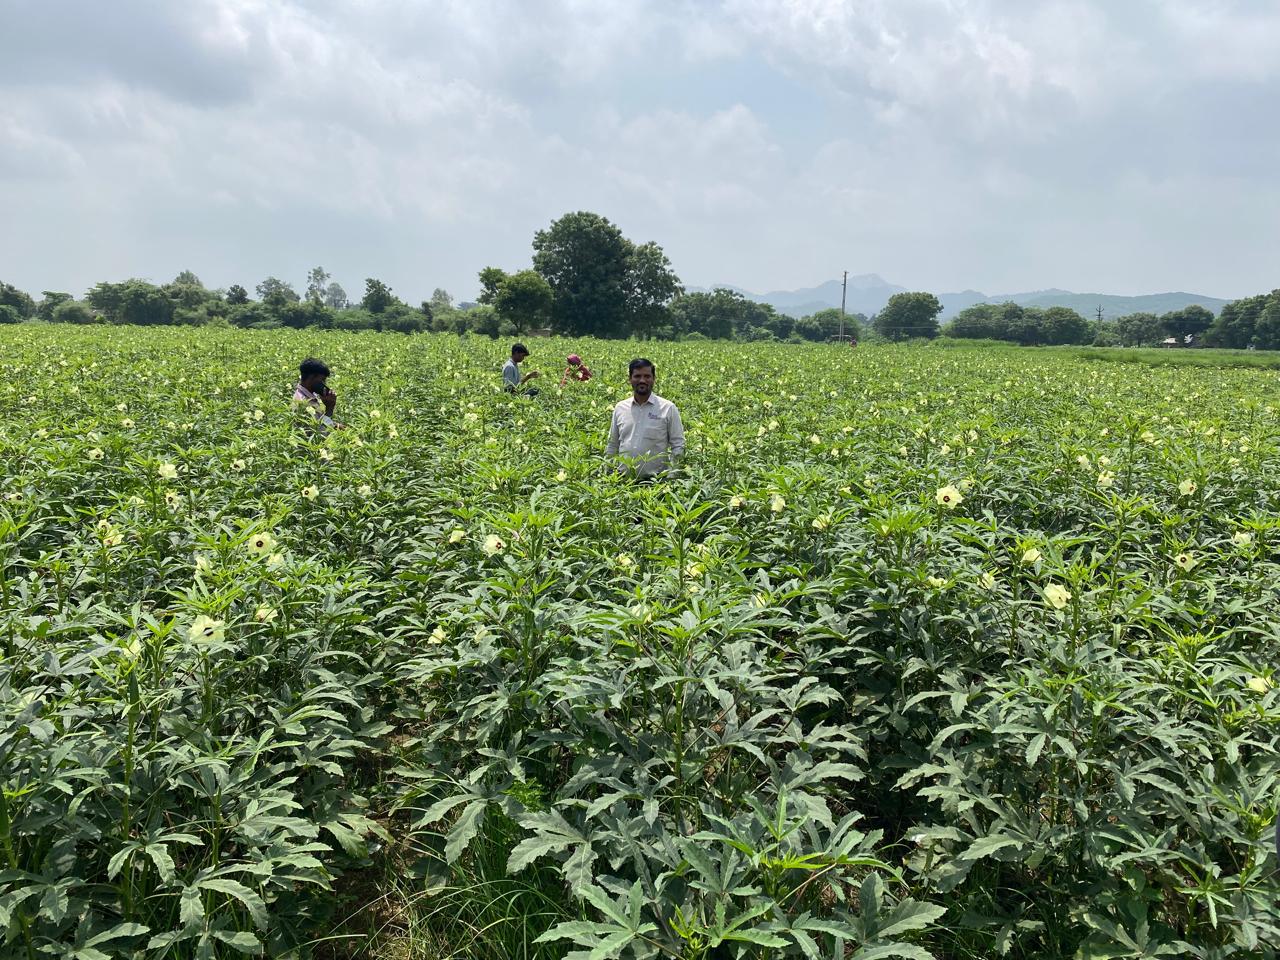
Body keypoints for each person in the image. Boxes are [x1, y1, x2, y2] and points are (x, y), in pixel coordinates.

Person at [605, 358, 684, 480]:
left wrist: (671, 476)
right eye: (637, 376)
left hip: (656, 482)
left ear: (654, 379)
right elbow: (613, 444)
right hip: (623, 480)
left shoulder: (668, 408)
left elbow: (678, 445)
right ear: (630, 379)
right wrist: (609, 474)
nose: (642, 380)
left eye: (647, 376)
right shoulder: (620, 408)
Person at [293, 357, 341, 431]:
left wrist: (335, 425)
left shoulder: (311, 395)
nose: (324, 384)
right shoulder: (302, 402)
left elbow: (319, 421)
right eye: (322, 380)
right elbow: (319, 434)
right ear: (311, 377)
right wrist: (329, 409)